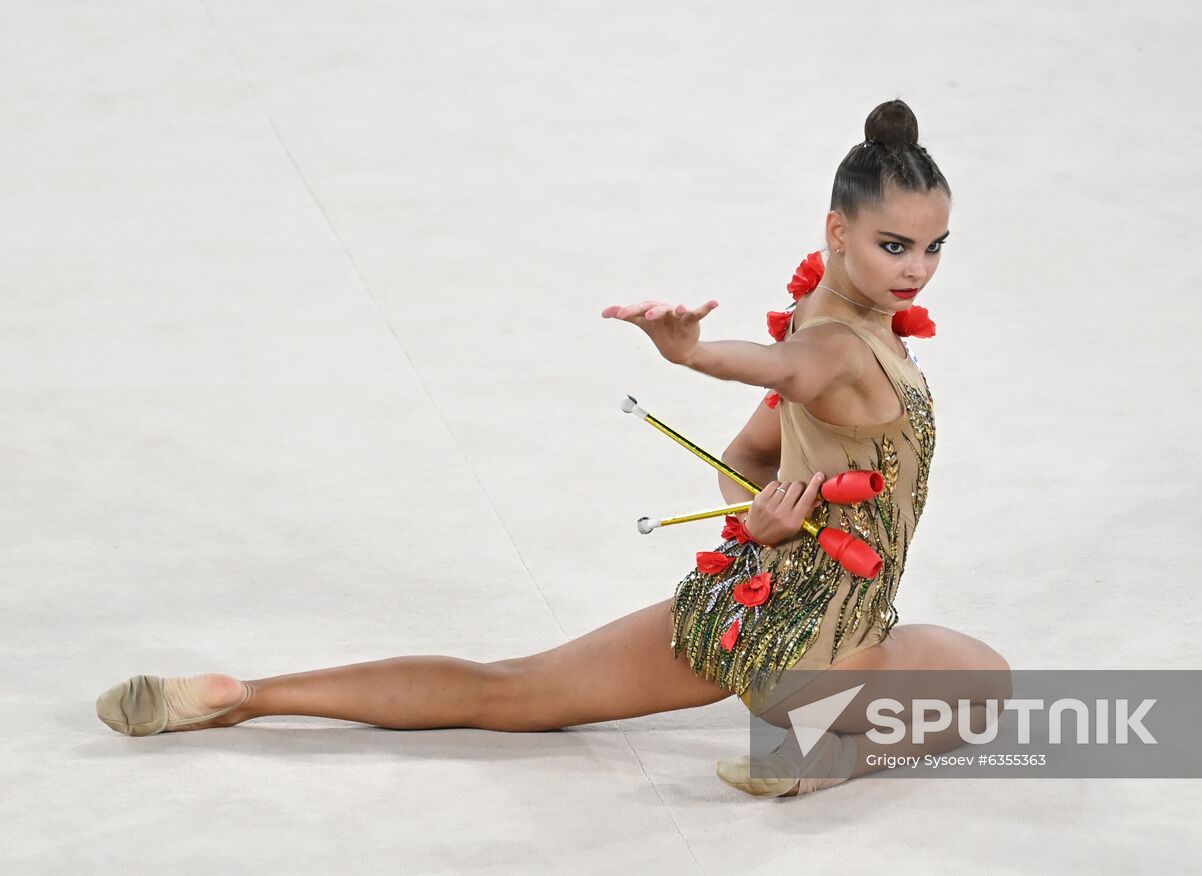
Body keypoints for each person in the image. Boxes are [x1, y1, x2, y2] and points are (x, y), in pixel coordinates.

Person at [95, 98, 1011, 799]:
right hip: (830, 627)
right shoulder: (837, 345)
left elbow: (752, 444)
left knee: (508, 692)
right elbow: (773, 368)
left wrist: (760, 520)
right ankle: (812, 745)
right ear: (836, 233)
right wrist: (692, 354)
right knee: (985, 681)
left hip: (741, 603)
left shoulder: (841, 319)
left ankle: (245, 695)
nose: (915, 269)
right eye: (894, 245)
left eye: (933, 248)